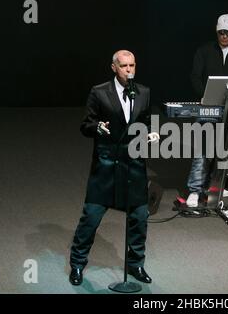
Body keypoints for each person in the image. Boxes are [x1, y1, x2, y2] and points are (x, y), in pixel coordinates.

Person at [69, 50, 159, 286]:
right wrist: (97, 127)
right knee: (91, 217)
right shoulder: (99, 92)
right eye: (124, 66)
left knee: (140, 218)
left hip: (134, 165)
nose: (129, 70)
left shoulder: (144, 92)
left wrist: (150, 133)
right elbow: (85, 125)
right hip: (107, 165)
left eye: (132, 65)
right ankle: (77, 265)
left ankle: (136, 264)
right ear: (113, 67)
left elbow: (147, 121)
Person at [186, 14, 228, 208]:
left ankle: (215, 186)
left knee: (222, 149)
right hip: (207, 106)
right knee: (203, 148)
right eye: (221, 32)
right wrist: (203, 95)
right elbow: (195, 77)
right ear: (216, 30)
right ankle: (195, 190)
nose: (224, 37)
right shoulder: (204, 50)